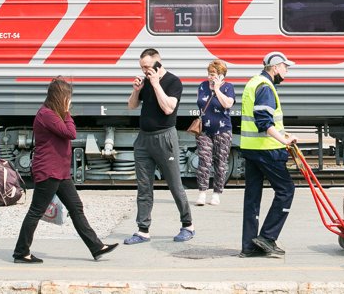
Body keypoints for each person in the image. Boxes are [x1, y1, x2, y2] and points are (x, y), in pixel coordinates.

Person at [13, 78, 118, 263]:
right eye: (68, 97)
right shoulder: (47, 115)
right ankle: (21, 252)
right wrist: (67, 112)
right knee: (36, 211)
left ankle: (96, 246)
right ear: (61, 97)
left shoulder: (51, 113)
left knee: (76, 207)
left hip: (59, 171)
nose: (70, 99)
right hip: (49, 171)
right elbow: (70, 133)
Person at [125, 48, 194, 245]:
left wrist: (155, 84)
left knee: (174, 184)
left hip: (165, 138)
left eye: (147, 67)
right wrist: (136, 91)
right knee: (144, 187)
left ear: (157, 62)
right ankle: (142, 230)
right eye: (142, 67)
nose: (145, 70)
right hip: (144, 139)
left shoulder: (173, 82)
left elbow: (168, 108)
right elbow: (131, 106)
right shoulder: (146, 81)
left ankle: (188, 225)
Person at [239, 52, 299, 258]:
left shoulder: (253, 82)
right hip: (267, 149)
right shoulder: (265, 87)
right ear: (275, 67)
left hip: (251, 148)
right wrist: (284, 141)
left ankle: (248, 246)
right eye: (285, 67)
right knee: (286, 190)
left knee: (252, 197)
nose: (286, 71)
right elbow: (263, 122)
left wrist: (283, 133)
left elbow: (265, 120)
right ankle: (267, 237)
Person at [195, 59, 236, 206]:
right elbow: (200, 104)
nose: (209, 77)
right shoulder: (202, 86)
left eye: (213, 74)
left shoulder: (228, 87)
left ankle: (217, 193)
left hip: (223, 130)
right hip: (204, 131)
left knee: (220, 163)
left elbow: (227, 104)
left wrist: (217, 89)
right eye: (209, 74)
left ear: (221, 75)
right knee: (204, 161)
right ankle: (202, 193)